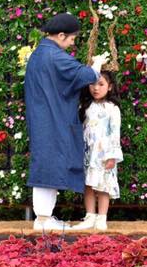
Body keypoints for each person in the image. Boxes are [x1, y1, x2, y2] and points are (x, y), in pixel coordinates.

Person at [24, 13, 107, 231]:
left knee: (47, 162)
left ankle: (44, 217)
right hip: (51, 118)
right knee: (49, 164)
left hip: (44, 116)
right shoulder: (54, 55)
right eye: (71, 39)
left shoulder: (40, 54)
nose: (72, 43)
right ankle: (42, 220)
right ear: (60, 35)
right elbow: (84, 75)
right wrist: (96, 65)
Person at [76, 71, 123, 231]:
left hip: (104, 154)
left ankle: (102, 217)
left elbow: (115, 133)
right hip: (88, 153)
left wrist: (112, 156)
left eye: (101, 84)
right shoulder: (85, 106)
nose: (96, 88)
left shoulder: (112, 109)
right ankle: (90, 216)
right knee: (88, 184)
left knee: (104, 185)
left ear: (109, 87)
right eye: (93, 84)